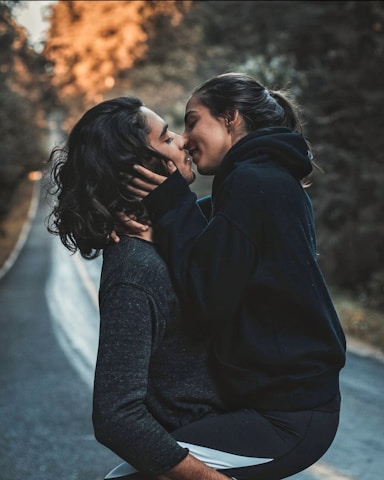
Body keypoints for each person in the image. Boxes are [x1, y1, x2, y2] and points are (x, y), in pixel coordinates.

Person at [121, 72, 347, 479]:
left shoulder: (253, 183)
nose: (186, 138)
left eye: (193, 121)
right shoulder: (264, 181)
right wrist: (163, 218)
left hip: (287, 417)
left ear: (230, 119)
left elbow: (206, 297)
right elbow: (211, 240)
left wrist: (171, 203)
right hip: (280, 404)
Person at [46, 96, 237, 480]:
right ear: (140, 168)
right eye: (167, 138)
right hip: (201, 452)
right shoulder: (136, 270)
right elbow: (116, 415)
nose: (183, 141)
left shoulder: (180, 232)